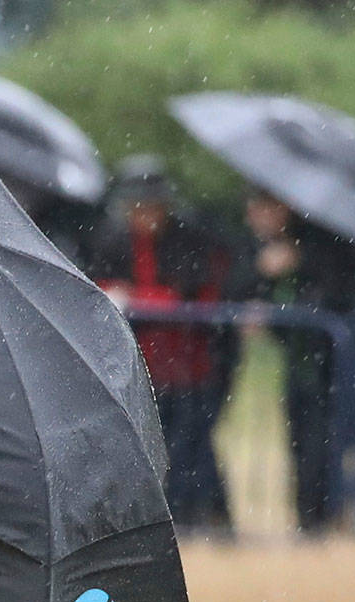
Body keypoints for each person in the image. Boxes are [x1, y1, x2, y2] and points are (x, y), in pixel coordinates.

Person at [89, 155, 233, 534]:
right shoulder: (112, 240)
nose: (144, 213)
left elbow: (191, 298)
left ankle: (199, 517)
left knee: (190, 444)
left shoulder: (191, 241)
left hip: (188, 366)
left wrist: (138, 299)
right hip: (138, 368)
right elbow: (97, 286)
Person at [229, 189, 355, 535]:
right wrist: (263, 274)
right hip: (301, 365)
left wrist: (295, 271)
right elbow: (238, 288)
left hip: (335, 364)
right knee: (302, 439)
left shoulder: (324, 239)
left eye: (261, 208)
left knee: (333, 439)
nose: (254, 218)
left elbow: (334, 295)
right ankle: (309, 519)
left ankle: (334, 516)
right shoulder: (265, 246)